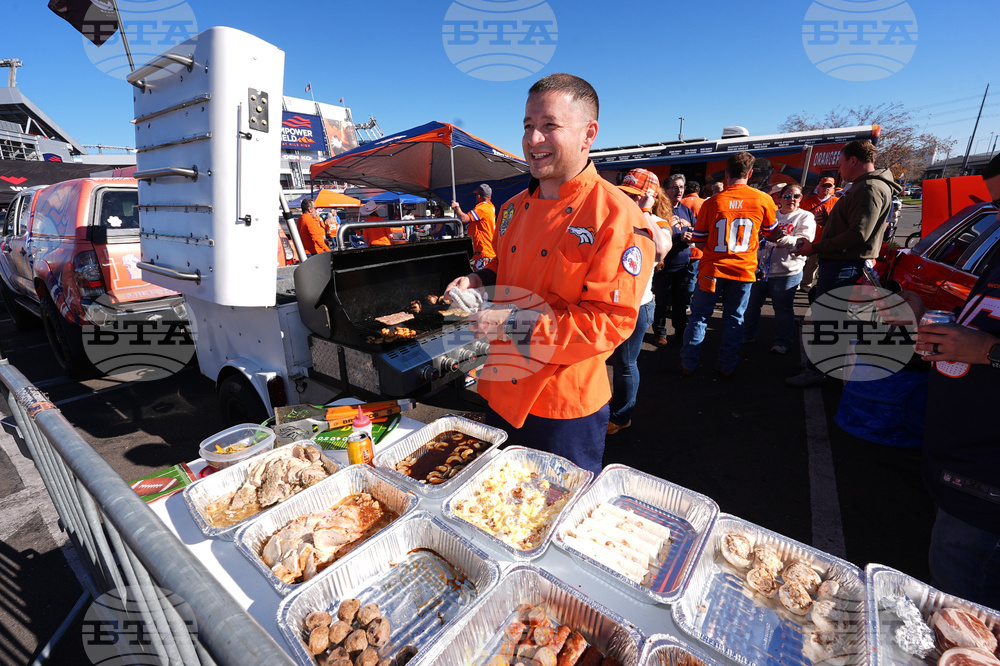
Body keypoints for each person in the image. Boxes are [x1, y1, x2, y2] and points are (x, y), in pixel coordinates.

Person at [444, 73, 654, 475]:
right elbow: (504, 267)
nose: (533, 138)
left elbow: (607, 323)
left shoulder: (616, 215)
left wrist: (511, 322)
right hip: (501, 387)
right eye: (528, 125)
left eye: (549, 125)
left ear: (588, 134)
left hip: (563, 408)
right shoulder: (511, 208)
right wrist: (479, 280)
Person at [890, 154, 1000, 609]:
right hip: (960, 459)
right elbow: (979, 321)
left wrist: (988, 351)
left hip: (987, 480)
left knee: (963, 613)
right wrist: (925, 314)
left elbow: (985, 344)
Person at [787, 140, 901, 386]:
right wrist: (831, 220)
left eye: (841, 163)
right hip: (842, 262)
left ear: (853, 160)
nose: (839, 170)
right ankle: (821, 365)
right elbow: (856, 226)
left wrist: (816, 247)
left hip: (845, 263)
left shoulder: (869, 188)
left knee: (827, 318)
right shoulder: (864, 186)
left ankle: (819, 370)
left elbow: (859, 234)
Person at [680, 151, 782, 377]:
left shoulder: (712, 202)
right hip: (743, 271)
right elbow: (773, 234)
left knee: (699, 318)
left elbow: (699, 239)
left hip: (712, 269)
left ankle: (688, 364)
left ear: (726, 173)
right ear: (751, 173)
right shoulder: (763, 199)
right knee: (734, 319)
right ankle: (726, 365)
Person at [608, 168, 671, 435]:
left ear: (651, 198)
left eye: (636, 196)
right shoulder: (617, 215)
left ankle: (622, 416)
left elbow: (661, 250)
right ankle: (605, 408)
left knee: (624, 364)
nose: (629, 199)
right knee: (602, 360)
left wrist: (645, 211)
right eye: (627, 193)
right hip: (608, 303)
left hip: (637, 305)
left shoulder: (657, 221)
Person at [742, 184, 816, 353]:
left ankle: (782, 342)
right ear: (780, 199)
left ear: (801, 198)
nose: (792, 200)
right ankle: (747, 335)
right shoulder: (771, 215)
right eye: (787, 196)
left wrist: (778, 237)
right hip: (760, 270)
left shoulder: (805, 217)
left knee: (783, 309)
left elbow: (802, 243)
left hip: (787, 271)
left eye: (796, 196)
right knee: (752, 306)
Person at [651, 174, 696, 346]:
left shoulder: (686, 210)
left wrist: (692, 236)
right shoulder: (659, 210)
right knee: (661, 302)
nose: (679, 190)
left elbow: (694, 227)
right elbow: (655, 235)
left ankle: (680, 331)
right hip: (664, 266)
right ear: (666, 190)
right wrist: (678, 237)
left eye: (682, 187)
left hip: (683, 265)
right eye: (675, 187)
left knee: (680, 301)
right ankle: (660, 333)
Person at [799, 176, 839, 293]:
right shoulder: (807, 202)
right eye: (823, 185)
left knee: (813, 264)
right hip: (806, 237)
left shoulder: (836, 202)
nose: (826, 188)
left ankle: (806, 284)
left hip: (822, 240)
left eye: (829, 186)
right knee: (800, 261)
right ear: (818, 187)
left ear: (832, 188)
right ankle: (796, 281)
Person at [452, 183, 497, 270]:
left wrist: (457, 208)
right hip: (487, 253)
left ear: (479, 196)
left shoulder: (482, 208)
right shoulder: (490, 207)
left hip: (484, 253)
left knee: (481, 277)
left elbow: (464, 218)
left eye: (476, 195)